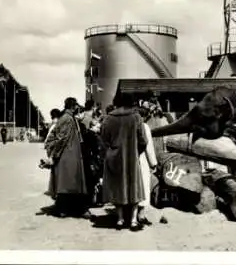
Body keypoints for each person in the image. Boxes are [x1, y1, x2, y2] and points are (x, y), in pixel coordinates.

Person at [100, 92, 157, 231]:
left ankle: (119, 219)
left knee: (117, 187)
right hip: (132, 158)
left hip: (114, 157)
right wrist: (136, 151)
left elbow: (103, 140)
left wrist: (110, 152)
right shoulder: (136, 117)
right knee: (134, 188)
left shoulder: (108, 118)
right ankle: (132, 221)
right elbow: (143, 140)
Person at [44, 98, 92, 219]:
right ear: (73, 106)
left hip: (71, 154)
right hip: (68, 155)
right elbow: (62, 138)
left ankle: (66, 209)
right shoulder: (67, 118)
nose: (77, 108)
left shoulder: (68, 117)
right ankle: (64, 209)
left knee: (69, 183)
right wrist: (54, 155)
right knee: (69, 183)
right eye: (76, 105)